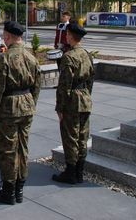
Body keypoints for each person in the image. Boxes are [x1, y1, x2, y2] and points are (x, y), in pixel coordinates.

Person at [0, 21, 41, 205]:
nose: (3, 37)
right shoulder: (31, 57)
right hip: (27, 106)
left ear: (8, 36)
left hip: (8, 109)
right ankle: (19, 190)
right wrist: (31, 103)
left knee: (7, 149)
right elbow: (37, 86)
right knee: (22, 148)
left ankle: (8, 191)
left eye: (4, 35)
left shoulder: (4, 58)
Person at [52, 22, 95, 185]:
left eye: (67, 34)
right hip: (85, 99)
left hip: (72, 101)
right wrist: (87, 95)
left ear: (70, 35)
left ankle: (70, 172)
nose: (66, 36)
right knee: (82, 136)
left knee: (70, 136)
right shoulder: (86, 54)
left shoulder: (69, 57)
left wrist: (60, 107)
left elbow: (64, 85)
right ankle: (80, 172)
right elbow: (91, 78)